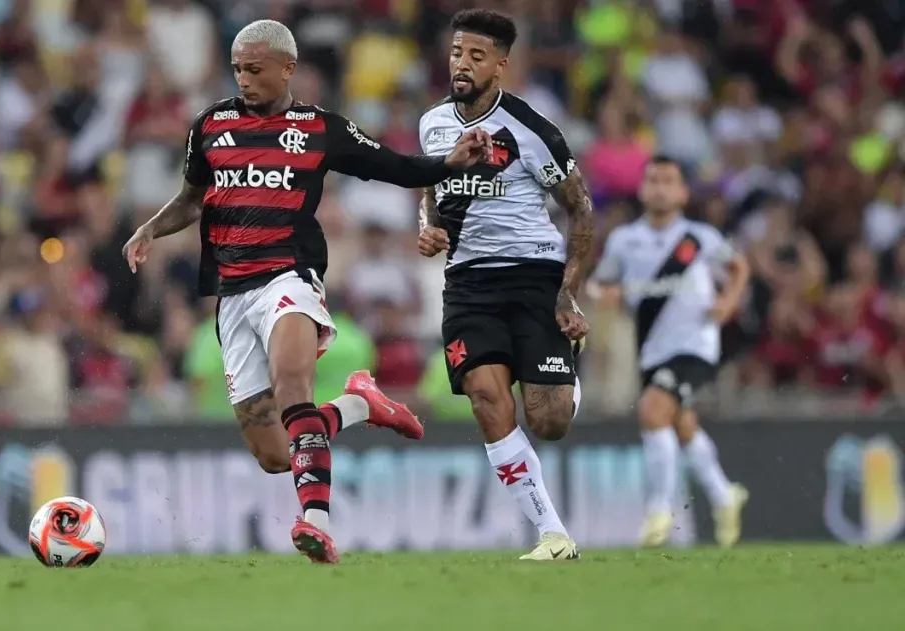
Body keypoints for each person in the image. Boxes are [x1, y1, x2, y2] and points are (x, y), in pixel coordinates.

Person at [122, 20, 492, 565]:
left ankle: (315, 522)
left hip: (287, 279)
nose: (243, 80)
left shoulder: (321, 129)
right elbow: (190, 198)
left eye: (254, 69)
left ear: (287, 69)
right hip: (232, 294)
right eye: (237, 70)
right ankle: (358, 404)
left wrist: (448, 162)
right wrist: (151, 227)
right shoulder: (211, 126)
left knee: (292, 384)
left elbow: (396, 167)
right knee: (273, 454)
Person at [417, 9, 595, 562]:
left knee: (550, 421)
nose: (462, 64)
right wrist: (429, 227)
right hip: (468, 285)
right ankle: (553, 533)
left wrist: (567, 291)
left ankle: (567, 368)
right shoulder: (432, 124)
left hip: (533, 277)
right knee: (487, 400)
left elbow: (580, 210)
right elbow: (430, 186)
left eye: (475, 56)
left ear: (500, 65)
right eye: (456, 53)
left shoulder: (533, 130)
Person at [590, 156, 751, 548]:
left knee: (652, 410)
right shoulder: (624, 240)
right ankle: (723, 494)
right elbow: (599, 284)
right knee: (680, 423)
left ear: (682, 192)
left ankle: (659, 511)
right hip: (652, 350)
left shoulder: (699, 237)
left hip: (696, 345)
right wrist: (604, 294)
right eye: (653, 180)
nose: (660, 187)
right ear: (643, 189)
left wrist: (728, 302)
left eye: (668, 181)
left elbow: (739, 267)